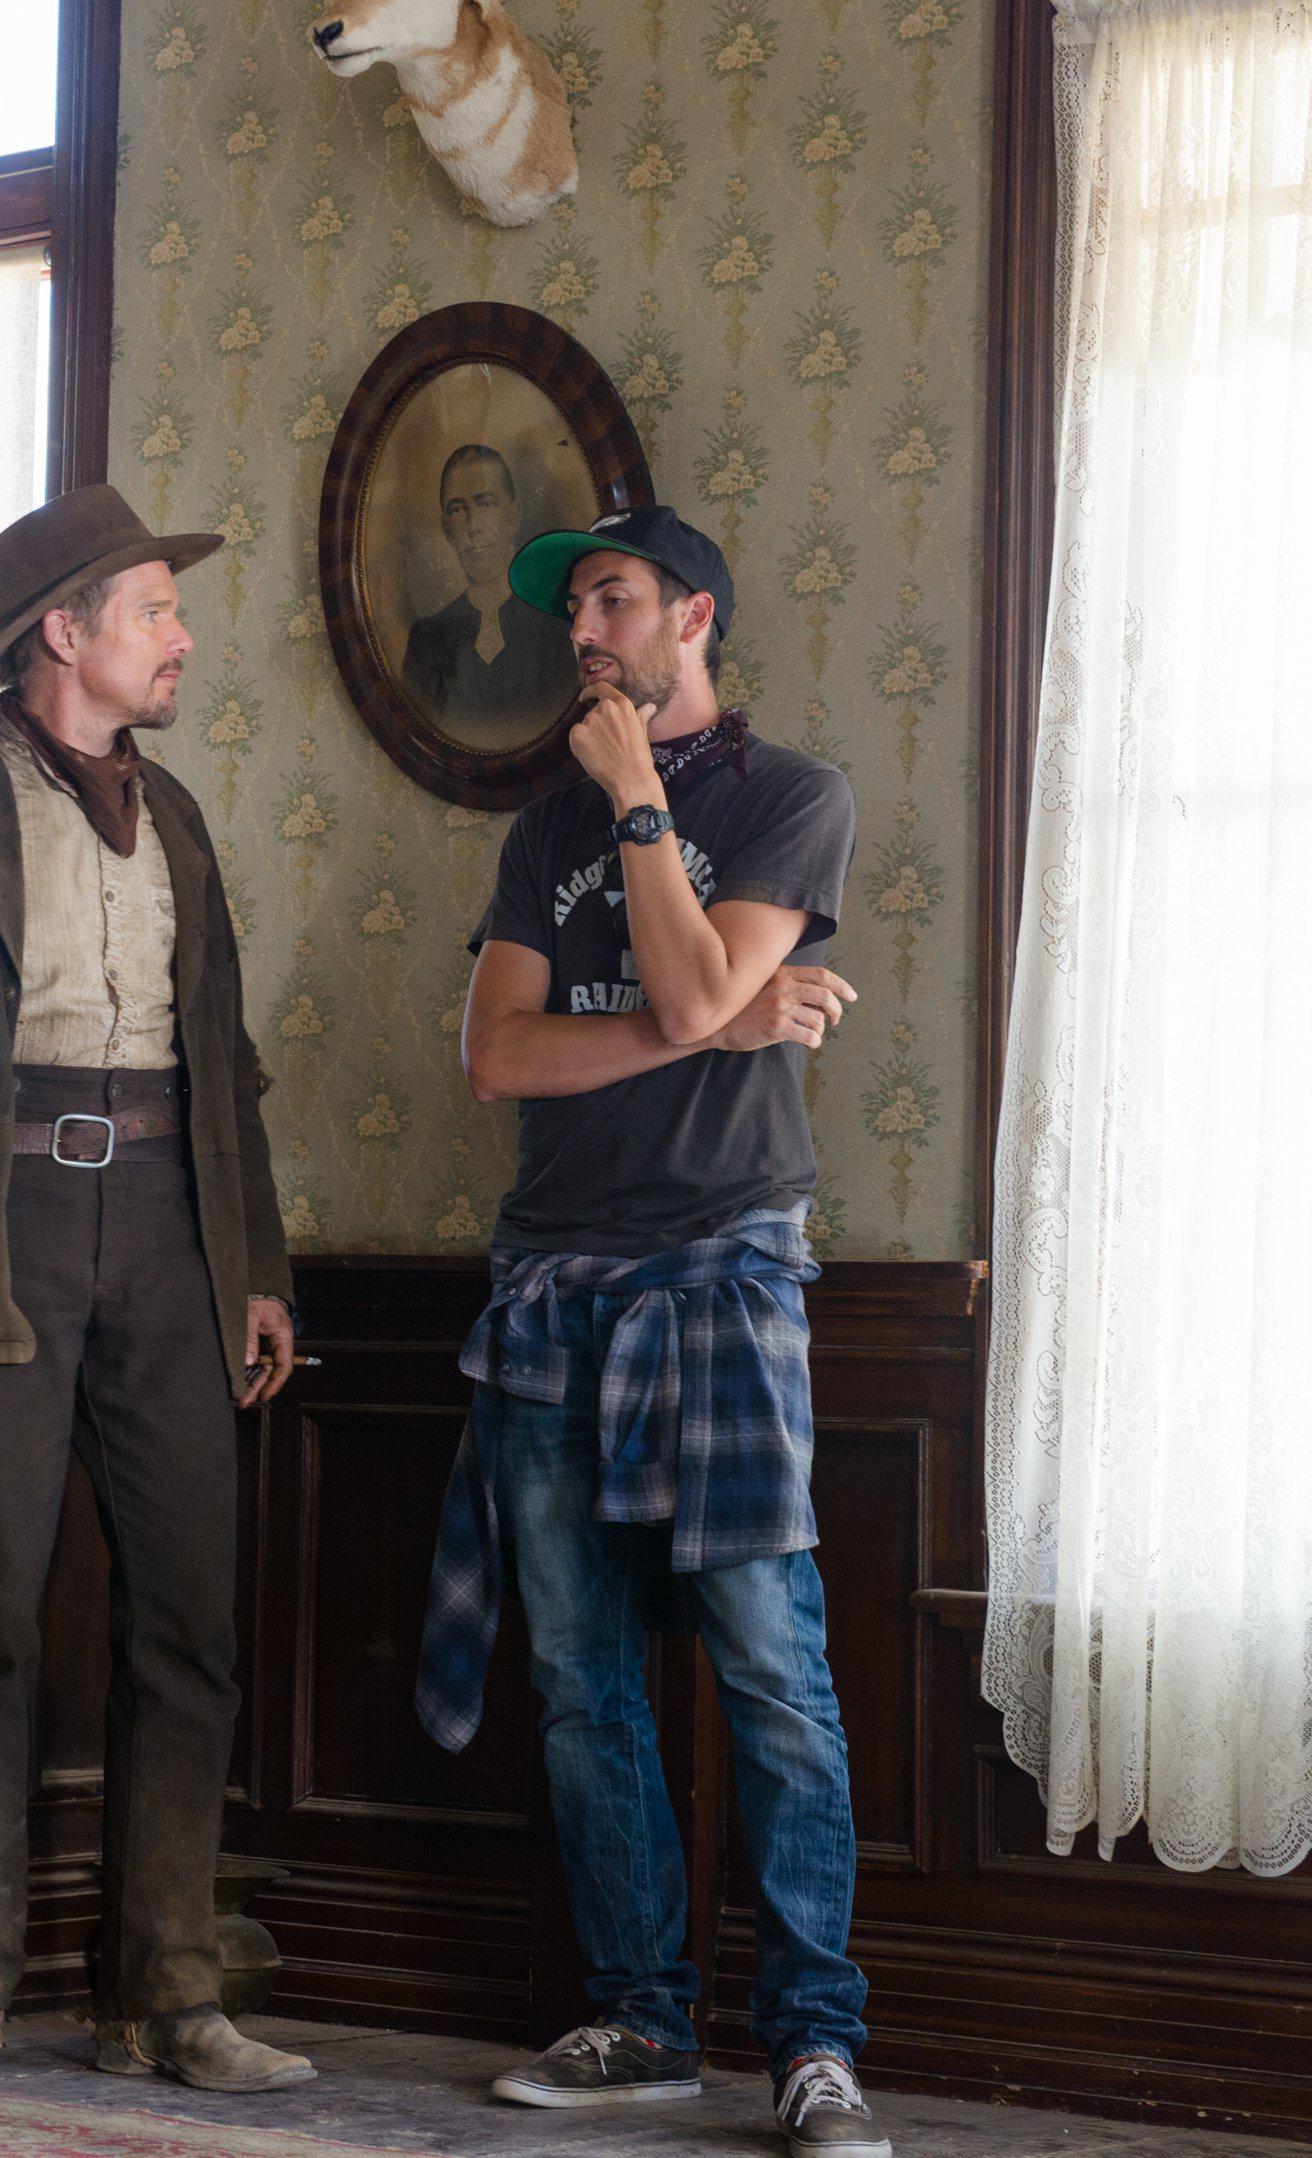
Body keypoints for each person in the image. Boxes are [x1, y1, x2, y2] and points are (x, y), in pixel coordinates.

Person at [0, 483, 310, 2098]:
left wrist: (255, 1265)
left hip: (169, 1221)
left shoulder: (183, 814)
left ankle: (167, 1993)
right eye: (151, 608)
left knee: (187, 1624)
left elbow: (219, 1060)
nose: (178, 636)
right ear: (60, 632)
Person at [429, 504, 884, 2155]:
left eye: (610, 596)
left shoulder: (788, 797)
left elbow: (680, 998)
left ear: (692, 612)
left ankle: (815, 2042)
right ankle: (639, 2015)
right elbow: (496, 1056)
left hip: (724, 1268)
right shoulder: (530, 828)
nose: (580, 628)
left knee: (771, 1668)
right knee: (577, 1676)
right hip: (550, 1276)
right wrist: (714, 1018)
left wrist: (638, 806)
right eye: (570, 605)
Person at [400, 443, 575, 732]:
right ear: (446, 529)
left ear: (513, 517)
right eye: (457, 510)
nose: (473, 525)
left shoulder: (557, 629)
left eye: (485, 503)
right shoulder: (426, 640)